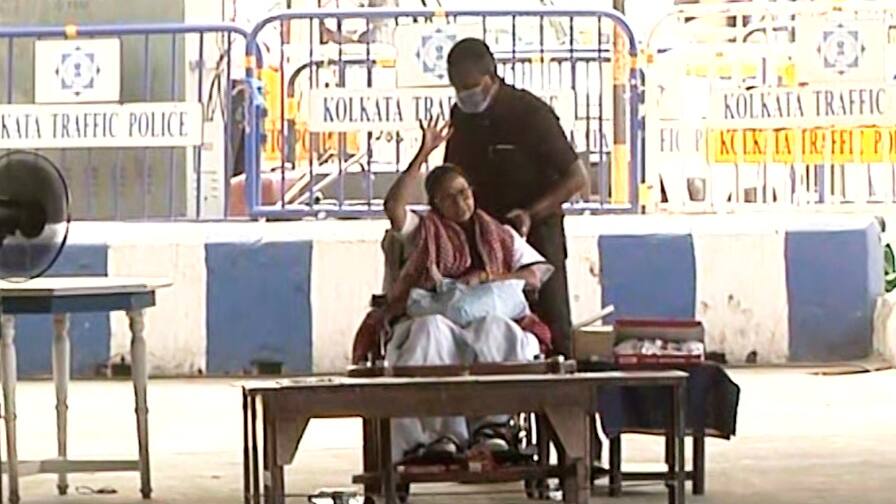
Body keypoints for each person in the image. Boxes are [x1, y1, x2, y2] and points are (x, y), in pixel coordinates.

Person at [352, 119, 556, 463]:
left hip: (485, 318)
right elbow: (394, 208)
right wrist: (423, 153)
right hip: (436, 319)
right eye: (449, 197)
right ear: (435, 203)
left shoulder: (499, 233)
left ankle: (493, 429)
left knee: (497, 329)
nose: (460, 201)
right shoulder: (422, 231)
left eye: (464, 192)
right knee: (429, 333)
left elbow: (534, 276)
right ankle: (438, 437)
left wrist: (487, 277)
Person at [443, 38, 588, 358]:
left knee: (551, 324)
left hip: (536, 234)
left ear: (490, 78)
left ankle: (557, 384)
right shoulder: (462, 116)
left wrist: (530, 214)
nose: (464, 95)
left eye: (469, 87)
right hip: (483, 237)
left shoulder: (531, 113)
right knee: (490, 327)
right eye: (458, 88)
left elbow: (577, 178)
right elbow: (453, 174)